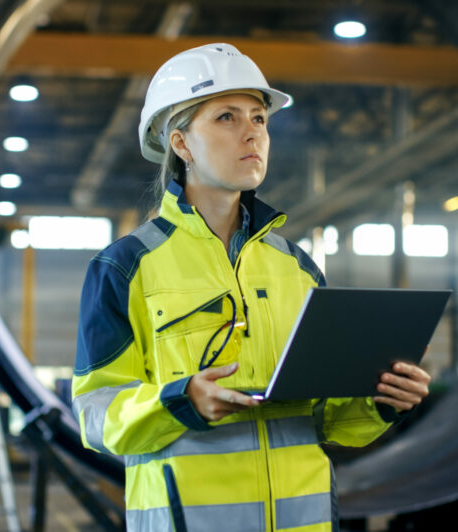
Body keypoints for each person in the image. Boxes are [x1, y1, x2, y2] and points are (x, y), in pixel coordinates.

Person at [72, 43, 431, 532]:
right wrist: (183, 400)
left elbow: (326, 418)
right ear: (181, 144)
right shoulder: (125, 267)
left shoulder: (297, 268)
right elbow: (96, 416)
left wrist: (382, 400)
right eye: (226, 117)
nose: (252, 134)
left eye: (259, 119)